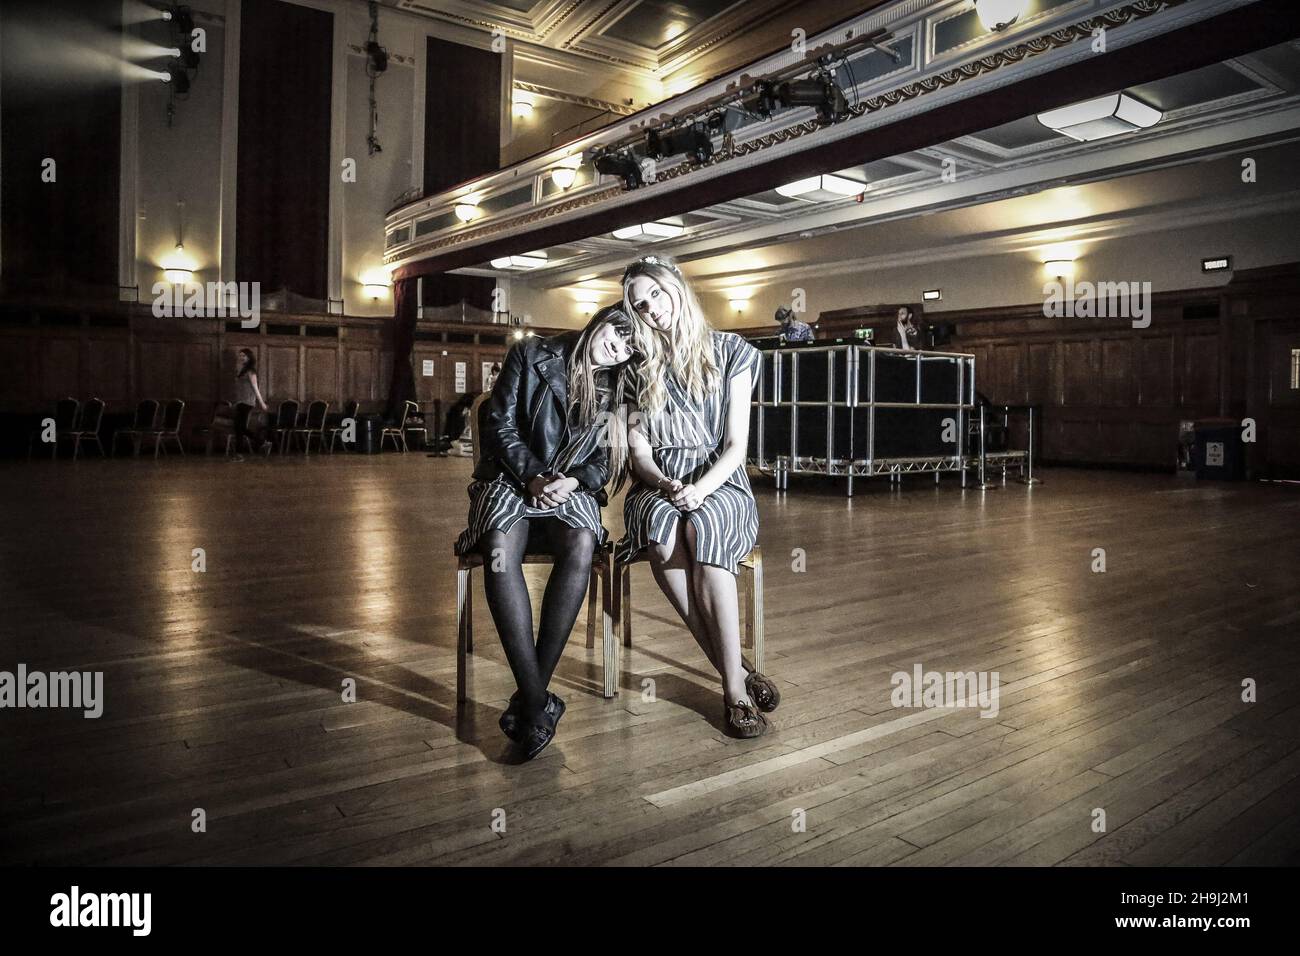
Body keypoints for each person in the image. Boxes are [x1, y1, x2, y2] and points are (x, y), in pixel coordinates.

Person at [455, 306, 635, 758]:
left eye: (631, 345)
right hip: (511, 477)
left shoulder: (621, 387)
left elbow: (607, 461)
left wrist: (572, 482)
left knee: (581, 541)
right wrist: (533, 476)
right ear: (601, 321)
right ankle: (539, 701)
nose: (620, 346)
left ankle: (532, 699)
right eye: (619, 332)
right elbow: (499, 425)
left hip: (571, 487)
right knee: (498, 545)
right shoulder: (531, 353)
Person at [616, 254, 781, 739]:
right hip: (658, 483)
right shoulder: (634, 370)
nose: (650, 309)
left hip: (721, 480)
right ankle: (741, 675)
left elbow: (736, 447)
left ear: (677, 288)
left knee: (702, 525)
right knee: (664, 533)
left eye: (655, 295)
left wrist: (701, 488)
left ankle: (733, 691)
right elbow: (639, 455)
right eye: (639, 304)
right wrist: (667, 485)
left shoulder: (732, 351)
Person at [224, 348, 269, 460]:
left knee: (239, 428)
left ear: (249, 357)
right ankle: (262, 442)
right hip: (240, 402)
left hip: (248, 402)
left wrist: (262, 403)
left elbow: (255, 388)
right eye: (240, 356)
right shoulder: (242, 370)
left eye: (244, 355)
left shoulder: (251, 371)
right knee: (240, 428)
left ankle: (239, 455)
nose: (241, 358)